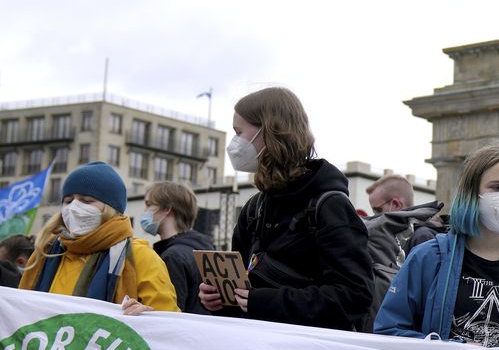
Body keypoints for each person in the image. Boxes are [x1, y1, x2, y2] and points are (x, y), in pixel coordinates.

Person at [198, 87, 373, 331]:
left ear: (270, 131)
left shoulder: (329, 205)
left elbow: (353, 297)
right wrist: (220, 300)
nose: (234, 144)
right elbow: (246, 295)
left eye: (239, 132)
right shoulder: (255, 208)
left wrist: (264, 301)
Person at [373, 143, 499, 346]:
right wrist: (453, 348)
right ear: (471, 192)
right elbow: (388, 331)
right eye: (497, 187)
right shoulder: (428, 258)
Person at [19, 162, 178, 314]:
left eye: (86, 201)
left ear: (111, 208)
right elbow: (20, 308)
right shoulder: (46, 252)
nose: (73, 207)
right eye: (68, 201)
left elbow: (167, 324)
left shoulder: (140, 257)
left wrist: (146, 315)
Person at [142, 182, 214, 313]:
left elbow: (170, 312)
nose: (144, 212)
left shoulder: (172, 256)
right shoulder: (204, 248)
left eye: (148, 204)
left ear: (166, 209)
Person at [367, 173, 446, 255]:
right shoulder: (402, 235)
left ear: (396, 204)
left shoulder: (421, 237)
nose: (374, 216)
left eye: (377, 210)